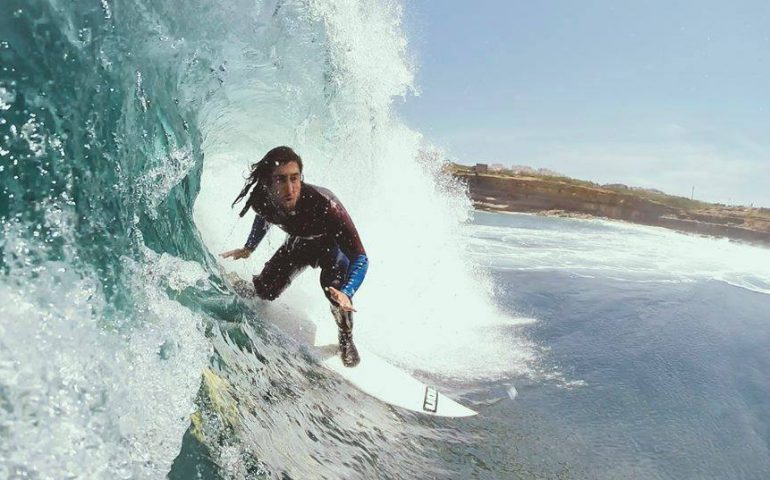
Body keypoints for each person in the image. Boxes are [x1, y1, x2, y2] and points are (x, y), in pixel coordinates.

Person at [220, 146, 368, 367]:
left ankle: (346, 338)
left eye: (294, 178)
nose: (289, 188)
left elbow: (360, 257)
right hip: (299, 245)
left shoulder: (327, 206)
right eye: (280, 180)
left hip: (332, 250)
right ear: (269, 183)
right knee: (265, 291)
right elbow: (264, 218)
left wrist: (347, 292)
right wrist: (249, 247)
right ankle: (254, 287)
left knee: (336, 293)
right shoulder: (262, 199)